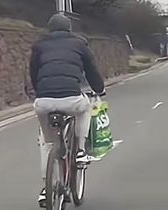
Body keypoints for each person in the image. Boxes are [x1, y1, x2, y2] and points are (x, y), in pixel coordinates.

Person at [29, 13, 105, 206]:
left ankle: (47, 188)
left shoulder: (39, 45)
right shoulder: (80, 43)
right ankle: (79, 150)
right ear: (69, 28)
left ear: (49, 29)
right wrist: (99, 90)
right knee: (84, 108)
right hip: (71, 98)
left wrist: (40, 92)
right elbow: (91, 70)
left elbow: (34, 71)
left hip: (44, 101)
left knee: (47, 143)